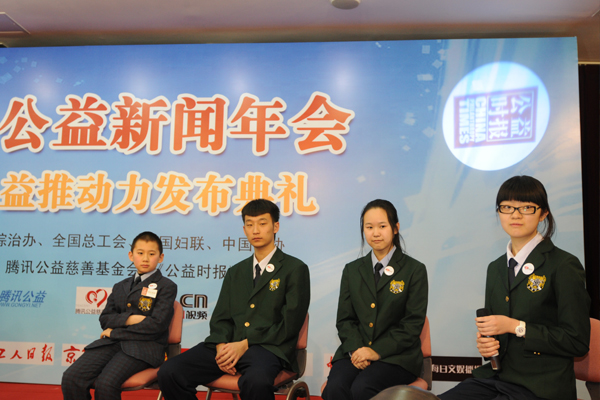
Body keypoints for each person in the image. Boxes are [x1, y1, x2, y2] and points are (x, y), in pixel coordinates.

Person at [439, 175, 591, 400]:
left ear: (543, 213)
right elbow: (495, 331)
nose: (515, 215)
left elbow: (576, 341)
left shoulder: (563, 265)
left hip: (541, 385)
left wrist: (516, 327)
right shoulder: (496, 268)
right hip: (496, 377)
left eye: (526, 207)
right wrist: (487, 345)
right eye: (507, 207)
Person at [157, 199, 310, 400]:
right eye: (249, 224)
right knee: (170, 371)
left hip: (269, 349)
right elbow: (221, 318)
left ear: (275, 227)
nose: (256, 230)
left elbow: (289, 324)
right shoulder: (235, 272)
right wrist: (221, 345)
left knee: (256, 381)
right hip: (229, 346)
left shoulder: (295, 269)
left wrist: (246, 344)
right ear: (244, 229)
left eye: (262, 223)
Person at [322, 199, 428, 400]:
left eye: (382, 226)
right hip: (355, 352)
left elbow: (412, 324)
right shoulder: (352, 270)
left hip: (397, 357)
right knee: (335, 387)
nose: (375, 233)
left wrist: (375, 351)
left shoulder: (414, 270)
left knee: (362, 388)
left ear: (395, 228)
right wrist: (358, 350)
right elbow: (345, 320)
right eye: (369, 227)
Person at [61, 231, 177, 400]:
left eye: (151, 254)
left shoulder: (166, 286)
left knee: (106, 384)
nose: (145, 258)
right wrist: (130, 319)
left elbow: (156, 325)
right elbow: (105, 319)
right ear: (131, 255)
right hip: (111, 344)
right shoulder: (120, 286)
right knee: (71, 378)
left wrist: (114, 332)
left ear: (161, 257)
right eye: (140, 253)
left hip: (144, 349)